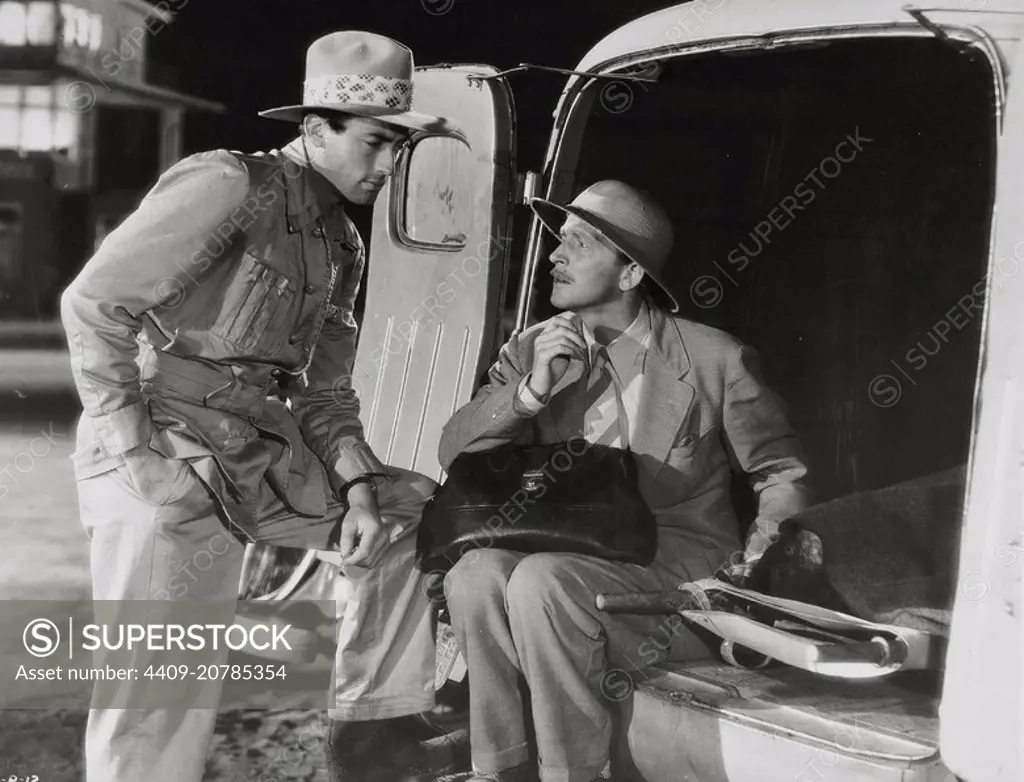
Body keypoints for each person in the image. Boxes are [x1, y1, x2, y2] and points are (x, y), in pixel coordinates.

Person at [60, 31, 466, 782]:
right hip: (165, 449)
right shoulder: (227, 184)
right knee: (160, 690)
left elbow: (325, 391)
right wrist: (140, 458)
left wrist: (359, 488)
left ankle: (371, 729)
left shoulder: (342, 242)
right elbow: (94, 304)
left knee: (412, 512)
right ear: (315, 129)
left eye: (398, 149)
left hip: (253, 455)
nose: (388, 167)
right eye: (376, 143)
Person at [436, 180, 812, 782]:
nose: (555, 256)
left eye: (579, 243)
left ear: (631, 273)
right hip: (566, 551)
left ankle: (573, 772)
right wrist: (530, 392)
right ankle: (501, 767)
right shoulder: (532, 348)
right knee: (475, 574)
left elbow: (780, 472)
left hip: (674, 561)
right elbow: (454, 451)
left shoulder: (715, 358)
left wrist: (758, 562)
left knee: (542, 582)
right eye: (559, 241)